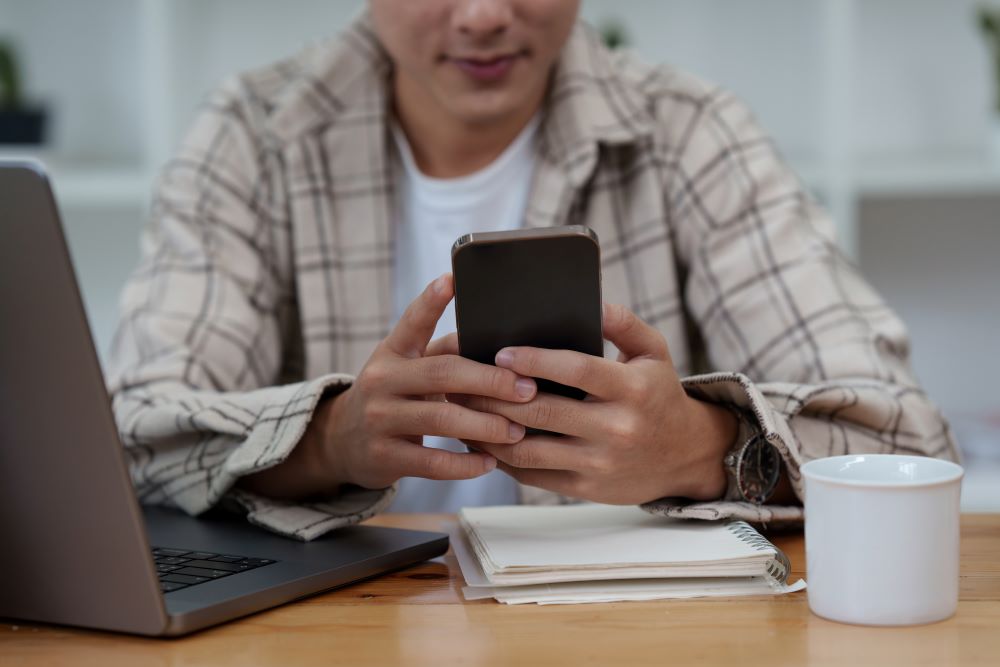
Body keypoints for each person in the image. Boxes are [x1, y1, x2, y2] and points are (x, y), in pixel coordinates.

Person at [107, 0, 958, 540]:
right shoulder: (250, 136)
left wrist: (699, 447)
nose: (482, 16)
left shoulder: (692, 131)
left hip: (629, 633)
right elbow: (133, 437)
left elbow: (908, 445)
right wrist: (331, 438)